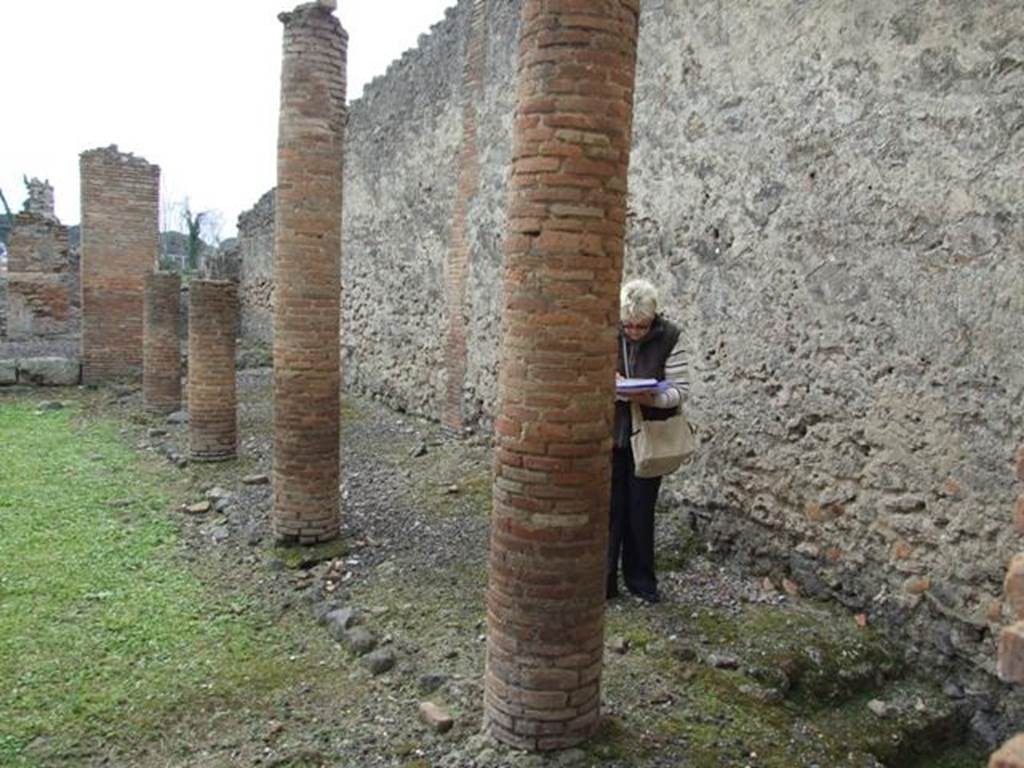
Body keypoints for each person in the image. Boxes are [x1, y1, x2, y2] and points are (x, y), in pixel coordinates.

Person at [608, 278, 689, 603]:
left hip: (650, 438)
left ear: (652, 319)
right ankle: (604, 584)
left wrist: (648, 397)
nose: (635, 333)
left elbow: (679, 391)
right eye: (629, 327)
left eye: (641, 327)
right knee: (609, 512)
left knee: (641, 512)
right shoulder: (610, 333)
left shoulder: (670, 337)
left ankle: (641, 582)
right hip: (612, 435)